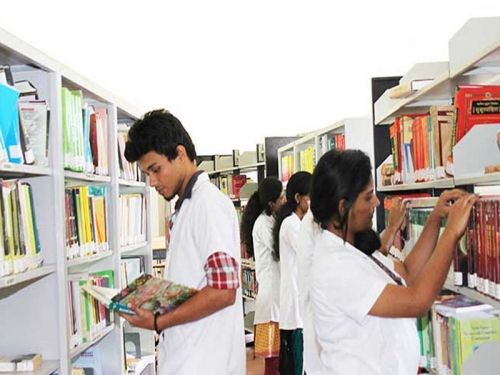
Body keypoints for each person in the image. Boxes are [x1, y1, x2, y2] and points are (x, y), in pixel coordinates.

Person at [309, 149, 476, 374]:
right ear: (343, 207)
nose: (376, 202)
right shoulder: (335, 266)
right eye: (368, 197)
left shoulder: (353, 246)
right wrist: (452, 233)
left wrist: (436, 218)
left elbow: (406, 274)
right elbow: (418, 301)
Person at [120, 109, 245, 375]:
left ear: (180, 154)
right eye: (147, 173)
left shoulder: (208, 205)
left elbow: (224, 291)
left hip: (205, 363)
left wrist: (159, 321)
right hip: (189, 358)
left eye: (156, 169)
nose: (152, 181)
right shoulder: (187, 206)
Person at [241, 176, 284, 375]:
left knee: (280, 356)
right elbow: (279, 249)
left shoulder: (272, 220)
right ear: (271, 203)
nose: (284, 201)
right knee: (273, 359)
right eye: (281, 198)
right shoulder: (263, 224)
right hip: (271, 295)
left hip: (278, 294)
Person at [272, 171, 312, 375]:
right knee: (296, 364)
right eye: (309, 197)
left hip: (299, 304)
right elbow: (309, 252)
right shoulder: (291, 224)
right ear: (298, 198)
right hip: (294, 308)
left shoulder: (298, 223)